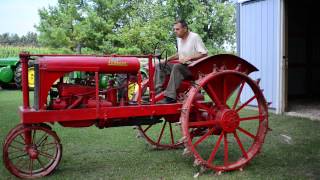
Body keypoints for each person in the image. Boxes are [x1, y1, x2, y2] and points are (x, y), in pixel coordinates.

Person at [155, 20, 208, 103]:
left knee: (177, 67)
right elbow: (179, 54)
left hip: (193, 69)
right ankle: (157, 93)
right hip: (183, 66)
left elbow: (204, 54)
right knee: (160, 65)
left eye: (177, 29)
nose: (175, 31)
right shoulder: (179, 39)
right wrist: (166, 59)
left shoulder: (194, 37)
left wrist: (189, 58)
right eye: (174, 29)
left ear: (185, 29)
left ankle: (170, 97)